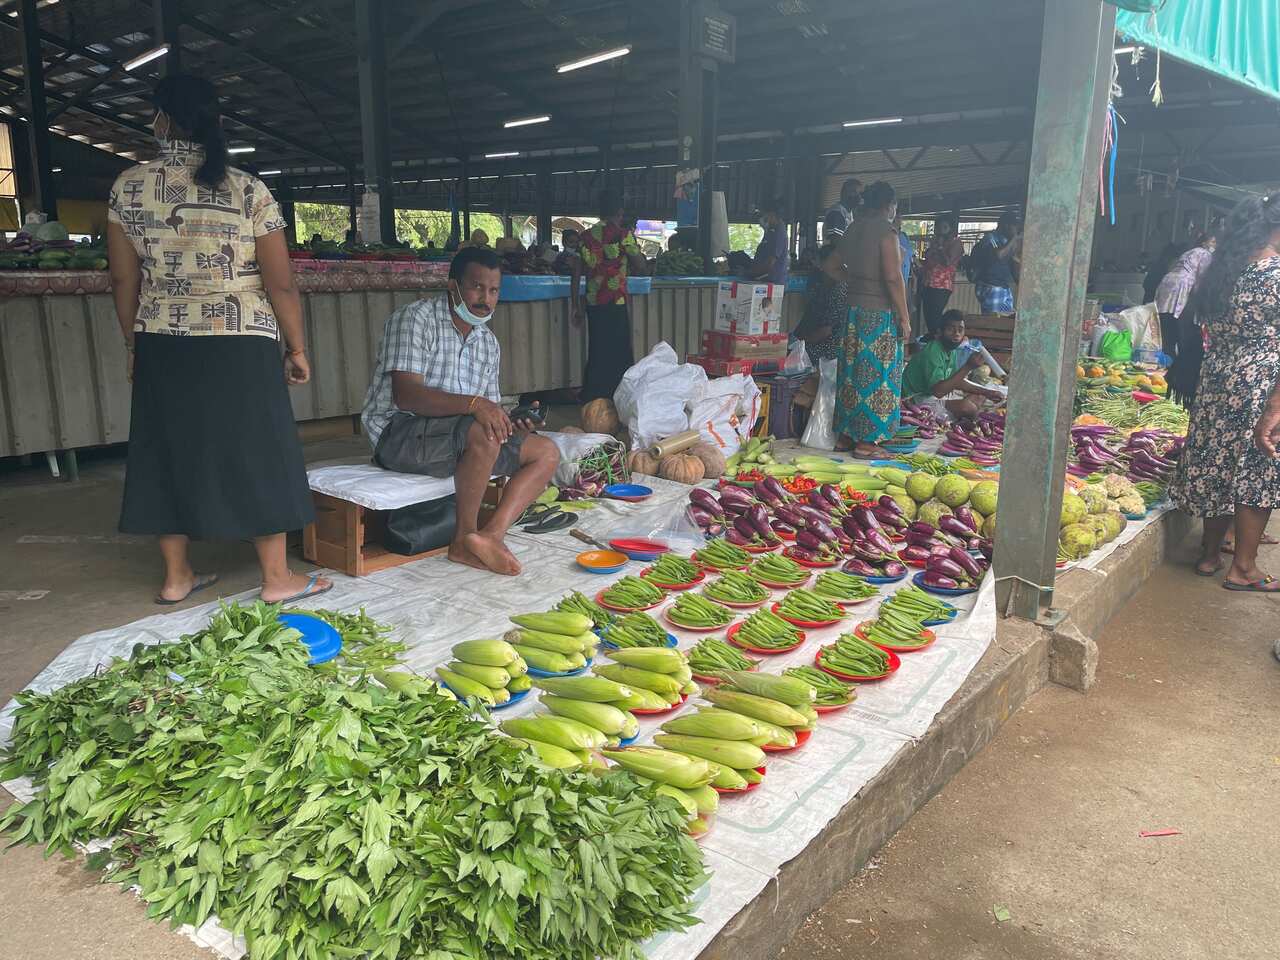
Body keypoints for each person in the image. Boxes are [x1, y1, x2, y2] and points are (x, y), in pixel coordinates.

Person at [105, 74, 329, 605]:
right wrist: (296, 348)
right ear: (217, 120)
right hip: (240, 339)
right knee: (259, 448)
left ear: (159, 119)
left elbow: (122, 280)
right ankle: (276, 578)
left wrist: (134, 343)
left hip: (164, 338)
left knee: (165, 448)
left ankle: (176, 576)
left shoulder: (128, 187)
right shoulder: (248, 189)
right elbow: (281, 282)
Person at [361, 246, 560, 576]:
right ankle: (463, 540)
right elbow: (406, 395)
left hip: (456, 437)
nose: (485, 298)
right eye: (476, 287)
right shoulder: (416, 319)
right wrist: (476, 406)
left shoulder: (487, 342)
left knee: (546, 452)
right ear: (452, 286)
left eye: (493, 290)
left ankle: (491, 536)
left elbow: (487, 410)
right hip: (399, 434)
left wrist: (515, 423)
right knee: (482, 432)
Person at [1171, 194, 1280, 592]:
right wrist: (1277, 402)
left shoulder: (1224, 271)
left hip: (1218, 377)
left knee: (1217, 466)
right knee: (1256, 472)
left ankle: (1209, 554)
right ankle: (1245, 568)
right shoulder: (1276, 273)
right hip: (1260, 381)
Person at [831, 180, 911, 458]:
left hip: (853, 310)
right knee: (877, 378)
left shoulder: (853, 228)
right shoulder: (886, 233)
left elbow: (830, 266)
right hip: (879, 315)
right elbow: (892, 276)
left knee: (851, 373)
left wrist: (853, 281)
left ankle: (845, 436)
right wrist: (904, 317)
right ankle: (867, 442)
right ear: (889, 205)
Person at [571, 192, 650, 402]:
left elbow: (576, 274)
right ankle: (618, 398)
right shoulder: (623, 235)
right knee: (619, 351)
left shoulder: (585, 236)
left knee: (597, 349)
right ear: (620, 212)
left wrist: (576, 306)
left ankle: (594, 396)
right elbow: (640, 266)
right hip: (616, 301)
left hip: (593, 303)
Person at [901, 311, 1004, 421]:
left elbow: (956, 380)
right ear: (940, 332)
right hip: (914, 400)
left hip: (933, 396)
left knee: (980, 396)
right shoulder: (933, 352)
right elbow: (939, 391)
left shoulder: (951, 350)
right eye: (951, 329)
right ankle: (965, 422)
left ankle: (959, 419)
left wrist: (987, 392)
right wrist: (968, 367)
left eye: (960, 330)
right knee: (968, 408)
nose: (957, 334)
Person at [1155, 233, 1216, 358]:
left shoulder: (1188, 252)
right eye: (1213, 242)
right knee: (1181, 323)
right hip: (1182, 285)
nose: (1215, 245)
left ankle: (1167, 358)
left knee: (1167, 321)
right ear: (1204, 243)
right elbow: (1201, 277)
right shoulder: (1205, 254)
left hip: (1167, 283)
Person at [790, 244, 846, 363]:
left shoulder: (839, 290)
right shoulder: (822, 286)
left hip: (829, 350)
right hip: (819, 340)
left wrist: (801, 342)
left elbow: (825, 331)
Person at [920, 217, 965, 335]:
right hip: (928, 282)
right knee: (928, 315)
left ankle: (938, 339)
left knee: (935, 315)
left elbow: (947, 262)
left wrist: (940, 247)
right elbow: (928, 258)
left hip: (942, 285)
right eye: (938, 227)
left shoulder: (956, 242)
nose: (941, 230)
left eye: (944, 227)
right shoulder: (935, 242)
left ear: (950, 229)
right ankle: (932, 338)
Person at [972, 213, 1022, 314]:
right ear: (1006, 225)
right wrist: (1014, 238)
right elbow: (998, 255)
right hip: (991, 285)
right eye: (1014, 226)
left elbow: (1011, 263)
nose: (1016, 230)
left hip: (1003, 286)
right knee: (992, 321)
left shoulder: (1006, 241)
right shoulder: (990, 238)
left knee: (1006, 319)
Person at [751, 198, 790, 285]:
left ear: (772, 215)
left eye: (764, 216)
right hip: (766, 279)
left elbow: (771, 262)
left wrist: (753, 273)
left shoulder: (779, 233)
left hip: (774, 282)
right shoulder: (771, 231)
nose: (763, 219)